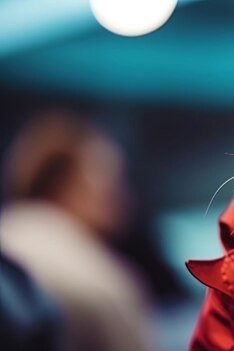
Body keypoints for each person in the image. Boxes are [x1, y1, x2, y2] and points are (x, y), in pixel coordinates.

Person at [0, 112, 152, 351]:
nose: (125, 197)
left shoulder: (9, 231)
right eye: (115, 181)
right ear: (69, 184)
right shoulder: (102, 284)